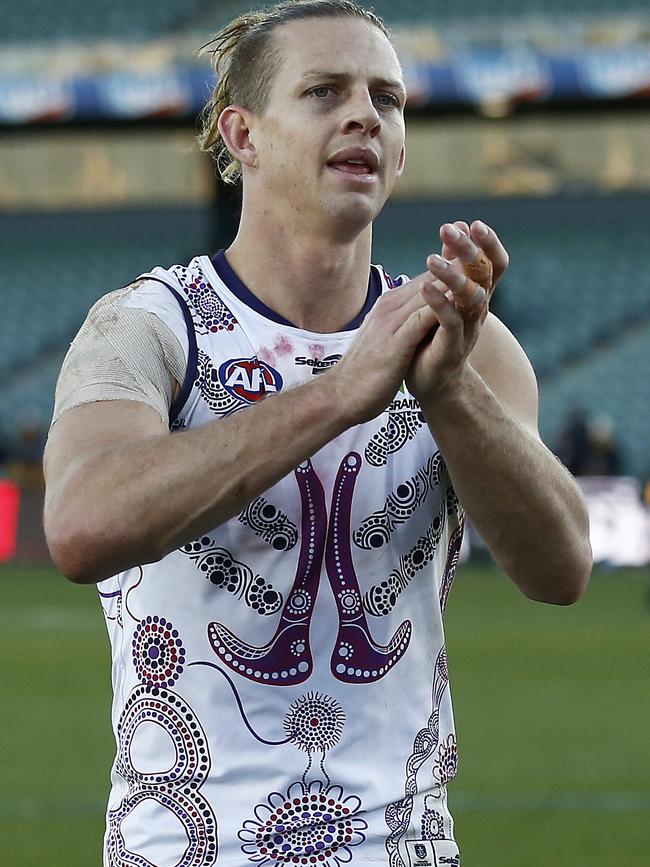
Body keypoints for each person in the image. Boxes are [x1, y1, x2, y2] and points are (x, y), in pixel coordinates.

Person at [43, 2, 592, 865]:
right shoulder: (146, 326)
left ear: (403, 149)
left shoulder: (463, 340)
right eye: (324, 91)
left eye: (388, 98)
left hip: (406, 847)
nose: (364, 114)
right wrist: (339, 393)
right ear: (245, 135)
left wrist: (447, 393)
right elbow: (79, 527)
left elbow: (562, 569)